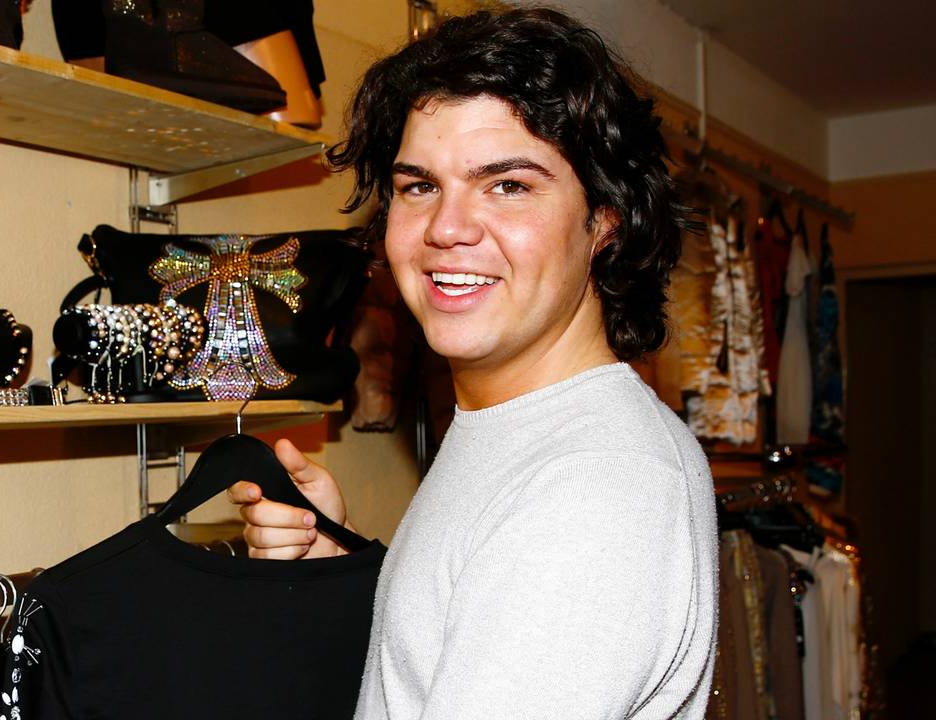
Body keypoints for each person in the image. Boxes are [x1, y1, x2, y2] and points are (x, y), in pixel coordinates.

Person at [227, 7, 718, 719]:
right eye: (419, 185)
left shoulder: (593, 487)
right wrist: (336, 568)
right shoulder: (519, 429)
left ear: (606, 219)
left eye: (508, 185)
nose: (446, 228)